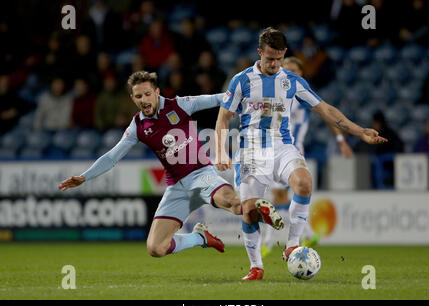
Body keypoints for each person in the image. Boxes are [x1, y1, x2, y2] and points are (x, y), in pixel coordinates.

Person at [216, 27, 387, 280]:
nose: (274, 64)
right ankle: (256, 267)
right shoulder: (241, 80)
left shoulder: (292, 81)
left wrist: (359, 131)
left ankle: (292, 245)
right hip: (251, 151)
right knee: (249, 210)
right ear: (259, 53)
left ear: (284, 54)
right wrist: (220, 150)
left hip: (283, 146)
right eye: (269, 58)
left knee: (304, 182)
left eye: (278, 58)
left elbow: (326, 110)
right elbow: (223, 119)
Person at [59, 71, 280, 260]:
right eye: (138, 96)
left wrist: (258, 99)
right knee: (156, 248)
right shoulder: (137, 126)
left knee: (232, 204)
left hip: (202, 174)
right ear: (132, 98)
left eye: (147, 94)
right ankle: (200, 237)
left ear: (157, 92)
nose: (144, 99)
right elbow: (112, 157)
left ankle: (259, 207)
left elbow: (219, 98)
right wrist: (84, 177)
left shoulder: (180, 105)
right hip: (176, 187)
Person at [260, 57, 354, 258]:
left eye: (295, 70)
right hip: (275, 150)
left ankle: (269, 242)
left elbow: (327, 115)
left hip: (291, 150)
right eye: (288, 68)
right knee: (280, 197)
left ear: (301, 74)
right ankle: (306, 235)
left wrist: (340, 139)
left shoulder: (302, 96)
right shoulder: (276, 95)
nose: (291, 72)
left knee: (278, 197)